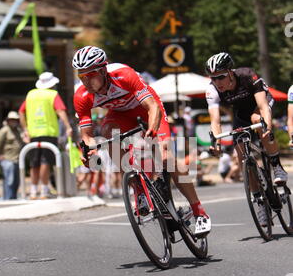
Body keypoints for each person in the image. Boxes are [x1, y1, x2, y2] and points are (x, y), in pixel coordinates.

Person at [72, 46, 211, 234]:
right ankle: (138, 188)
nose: (86, 81)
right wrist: (91, 153)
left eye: (90, 75)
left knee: (166, 157)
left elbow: (152, 107)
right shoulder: (81, 96)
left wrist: (152, 132)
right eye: (82, 76)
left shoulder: (124, 75)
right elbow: (87, 136)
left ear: (103, 70)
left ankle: (199, 212)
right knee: (107, 131)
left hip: (147, 109)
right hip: (120, 115)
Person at [206, 52, 288, 226]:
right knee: (242, 155)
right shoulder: (212, 89)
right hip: (241, 113)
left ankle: (276, 165)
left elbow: (263, 106)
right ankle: (259, 201)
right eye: (213, 78)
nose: (217, 82)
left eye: (220, 77)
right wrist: (217, 143)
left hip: (261, 104)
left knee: (257, 120)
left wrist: (267, 127)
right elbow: (215, 120)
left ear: (230, 72)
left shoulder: (247, 76)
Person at [19, 72, 73, 200]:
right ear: (52, 84)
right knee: (46, 162)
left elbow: (21, 112)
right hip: (49, 132)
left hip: (33, 133)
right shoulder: (52, 94)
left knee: (34, 163)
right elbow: (60, 111)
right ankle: (44, 190)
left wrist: (25, 129)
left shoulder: (30, 94)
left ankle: (33, 191)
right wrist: (68, 126)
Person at [0, 111, 24, 199]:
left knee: (16, 182)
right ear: (8, 121)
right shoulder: (4, 131)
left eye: (15, 120)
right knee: (9, 181)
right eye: (12, 120)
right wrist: (0, 154)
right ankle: (8, 199)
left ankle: (13, 198)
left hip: (16, 159)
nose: (14, 121)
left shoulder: (17, 131)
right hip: (7, 159)